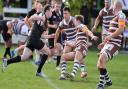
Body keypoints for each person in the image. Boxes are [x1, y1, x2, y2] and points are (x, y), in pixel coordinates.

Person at [2, 4, 53, 77]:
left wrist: (50, 36)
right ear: (47, 11)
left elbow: (41, 35)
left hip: (32, 39)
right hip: (34, 39)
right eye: (51, 11)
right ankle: (38, 72)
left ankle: (7, 62)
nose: (52, 13)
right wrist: (39, 18)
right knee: (47, 51)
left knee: (24, 57)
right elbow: (30, 18)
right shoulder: (42, 16)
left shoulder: (46, 23)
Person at [96, 1, 126, 89]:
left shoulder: (121, 15)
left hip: (114, 44)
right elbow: (111, 32)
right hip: (109, 43)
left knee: (102, 59)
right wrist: (104, 43)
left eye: (113, 6)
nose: (111, 8)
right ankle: (108, 81)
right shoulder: (115, 17)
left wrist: (110, 36)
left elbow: (121, 29)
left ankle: (101, 84)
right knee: (99, 65)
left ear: (116, 6)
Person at [62, 15, 98, 80]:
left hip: (82, 47)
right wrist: (67, 43)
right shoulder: (78, 29)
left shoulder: (81, 26)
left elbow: (87, 31)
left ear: (78, 20)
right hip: (78, 48)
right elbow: (75, 44)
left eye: (75, 20)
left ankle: (72, 75)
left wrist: (92, 36)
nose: (74, 22)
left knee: (77, 58)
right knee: (64, 57)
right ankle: (82, 72)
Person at [54, 6, 77, 80]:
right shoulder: (62, 23)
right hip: (69, 41)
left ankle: (79, 72)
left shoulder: (73, 20)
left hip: (76, 40)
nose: (65, 15)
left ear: (70, 14)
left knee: (78, 56)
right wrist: (55, 42)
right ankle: (63, 75)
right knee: (63, 55)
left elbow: (81, 29)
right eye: (64, 13)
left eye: (66, 13)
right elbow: (57, 32)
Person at [47, 0, 62, 69]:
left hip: (58, 34)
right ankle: (47, 57)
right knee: (52, 52)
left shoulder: (60, 14)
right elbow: (46, 24)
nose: (57, 8)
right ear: (54, 6)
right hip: (51, 34)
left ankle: (57, 65)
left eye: (59, 7)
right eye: (56, 6)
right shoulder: (51, 13)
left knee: (59, 49)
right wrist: (53, 26)